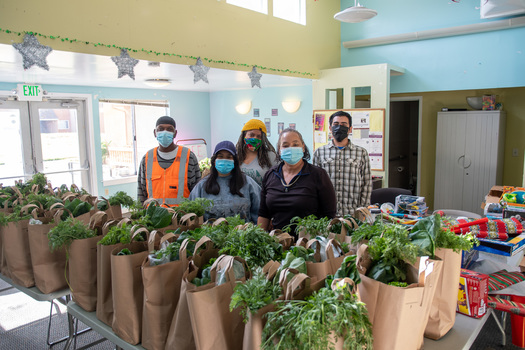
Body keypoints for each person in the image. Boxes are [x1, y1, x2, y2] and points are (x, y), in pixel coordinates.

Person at [258, 128, 336, 235]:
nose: (291, 148)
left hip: (308, 244)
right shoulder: (270, 175)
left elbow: (329, 215)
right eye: (285, 145)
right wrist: (259, 239)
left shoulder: (318, 175)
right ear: (279, 150)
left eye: (295, 145)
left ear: (303, 147)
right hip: (277, 242)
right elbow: (264, 214)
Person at [312, 110, 372, 217]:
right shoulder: (319, 152)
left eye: (344, 125)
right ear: (330, 128)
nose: (339, 127)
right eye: (336, 124)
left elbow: (366, 184)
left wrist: (362, 210)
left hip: (352, 213)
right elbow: (314, 183)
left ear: (350, 129)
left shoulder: (361, 153)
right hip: (327, 213)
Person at [189, 140, 261, 223]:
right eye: (220, 156)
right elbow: (192, 214)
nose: (224, 160)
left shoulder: (248, 183)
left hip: (242, 234)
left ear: (234, 161)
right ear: (214, 160)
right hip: (210, 235)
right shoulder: (202, 186)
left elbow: (259, 213)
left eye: (229, 157)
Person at [137, 116, 201, 206]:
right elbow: (141, 193)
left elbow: (197, 192)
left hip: (181, 217)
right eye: (161, 129)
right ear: (155, 133)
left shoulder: (188, 157)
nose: (165, 132)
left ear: (175, 133)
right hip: (152, 218)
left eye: (169, 129)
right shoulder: (147, 159)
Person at [235, 119, 278, 187]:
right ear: (244, 135)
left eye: (259, 136)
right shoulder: (235, 155)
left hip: (261, 196)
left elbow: (278, 179)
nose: (255, 138)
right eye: (251, 135)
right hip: (239, 196)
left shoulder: (270, 156)